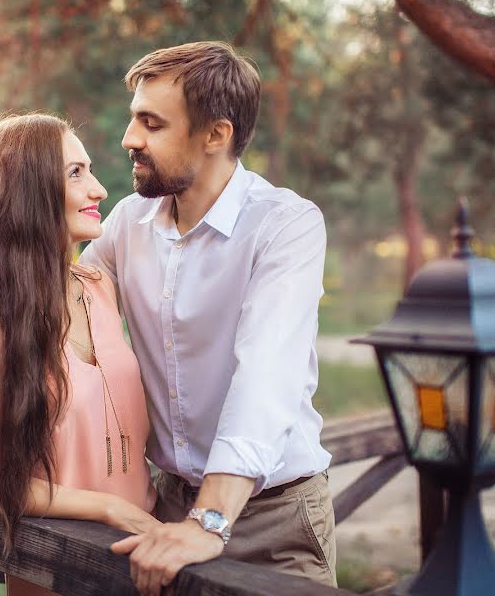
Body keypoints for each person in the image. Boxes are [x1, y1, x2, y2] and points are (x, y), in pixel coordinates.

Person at [81, 41, 336, 594]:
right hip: (163, 507)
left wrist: (210, 519)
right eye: (134, 119)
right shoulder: (128, 222)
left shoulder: (286, 225)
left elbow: (265, 378)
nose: (129, 139)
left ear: (216, 134)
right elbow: (59, 319)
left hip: (274, 520)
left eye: (151, 123)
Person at [0, 113, 158, 596]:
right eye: (76, 173)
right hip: (57, 571)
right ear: (25, 193)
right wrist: (107, 507)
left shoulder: (99, 287)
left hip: (145, 563)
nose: (100, 188)